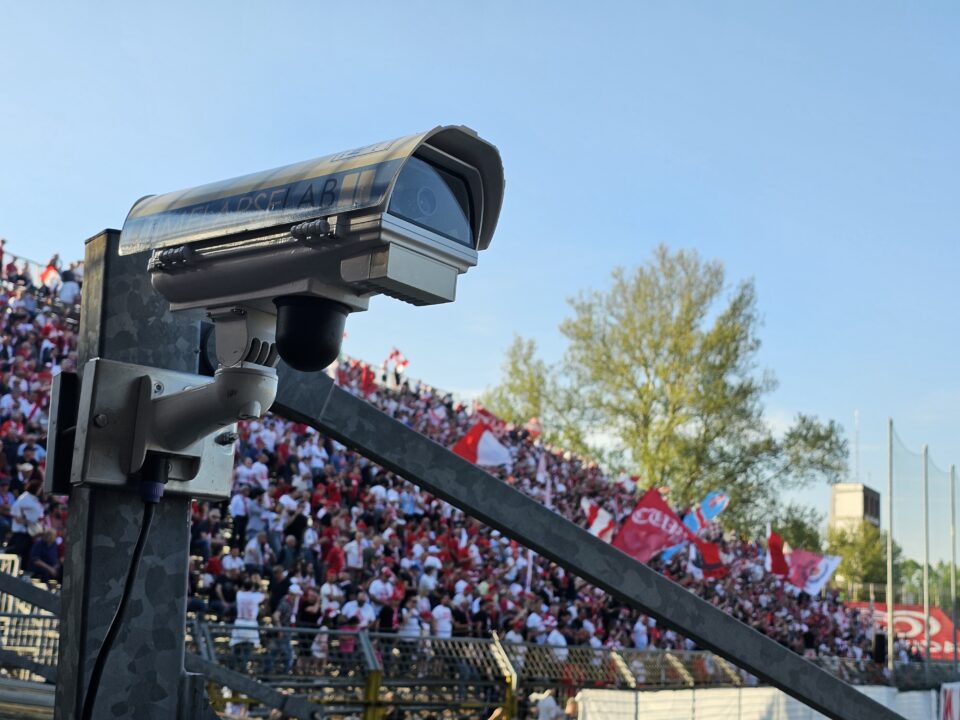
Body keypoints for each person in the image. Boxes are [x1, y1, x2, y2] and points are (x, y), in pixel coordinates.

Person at [230, 577, 265, 671]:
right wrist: (257, 584)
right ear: (252, 587)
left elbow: (240, 590)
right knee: (248, 648)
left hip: (239, 622)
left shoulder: (239, 594)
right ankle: (243, 667)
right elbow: (263, 594)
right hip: (250, 623)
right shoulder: (256, 596)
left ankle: (233, 667)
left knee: (236, 647)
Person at [8, 479, 43, 567]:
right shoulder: (25, 498)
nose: (41, 490)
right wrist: (25, 521)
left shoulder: (33, 498)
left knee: (26, 555)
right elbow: (15, 512)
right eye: (39, 488)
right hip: (21, 534)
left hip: (29, 534)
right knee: (19, 555)